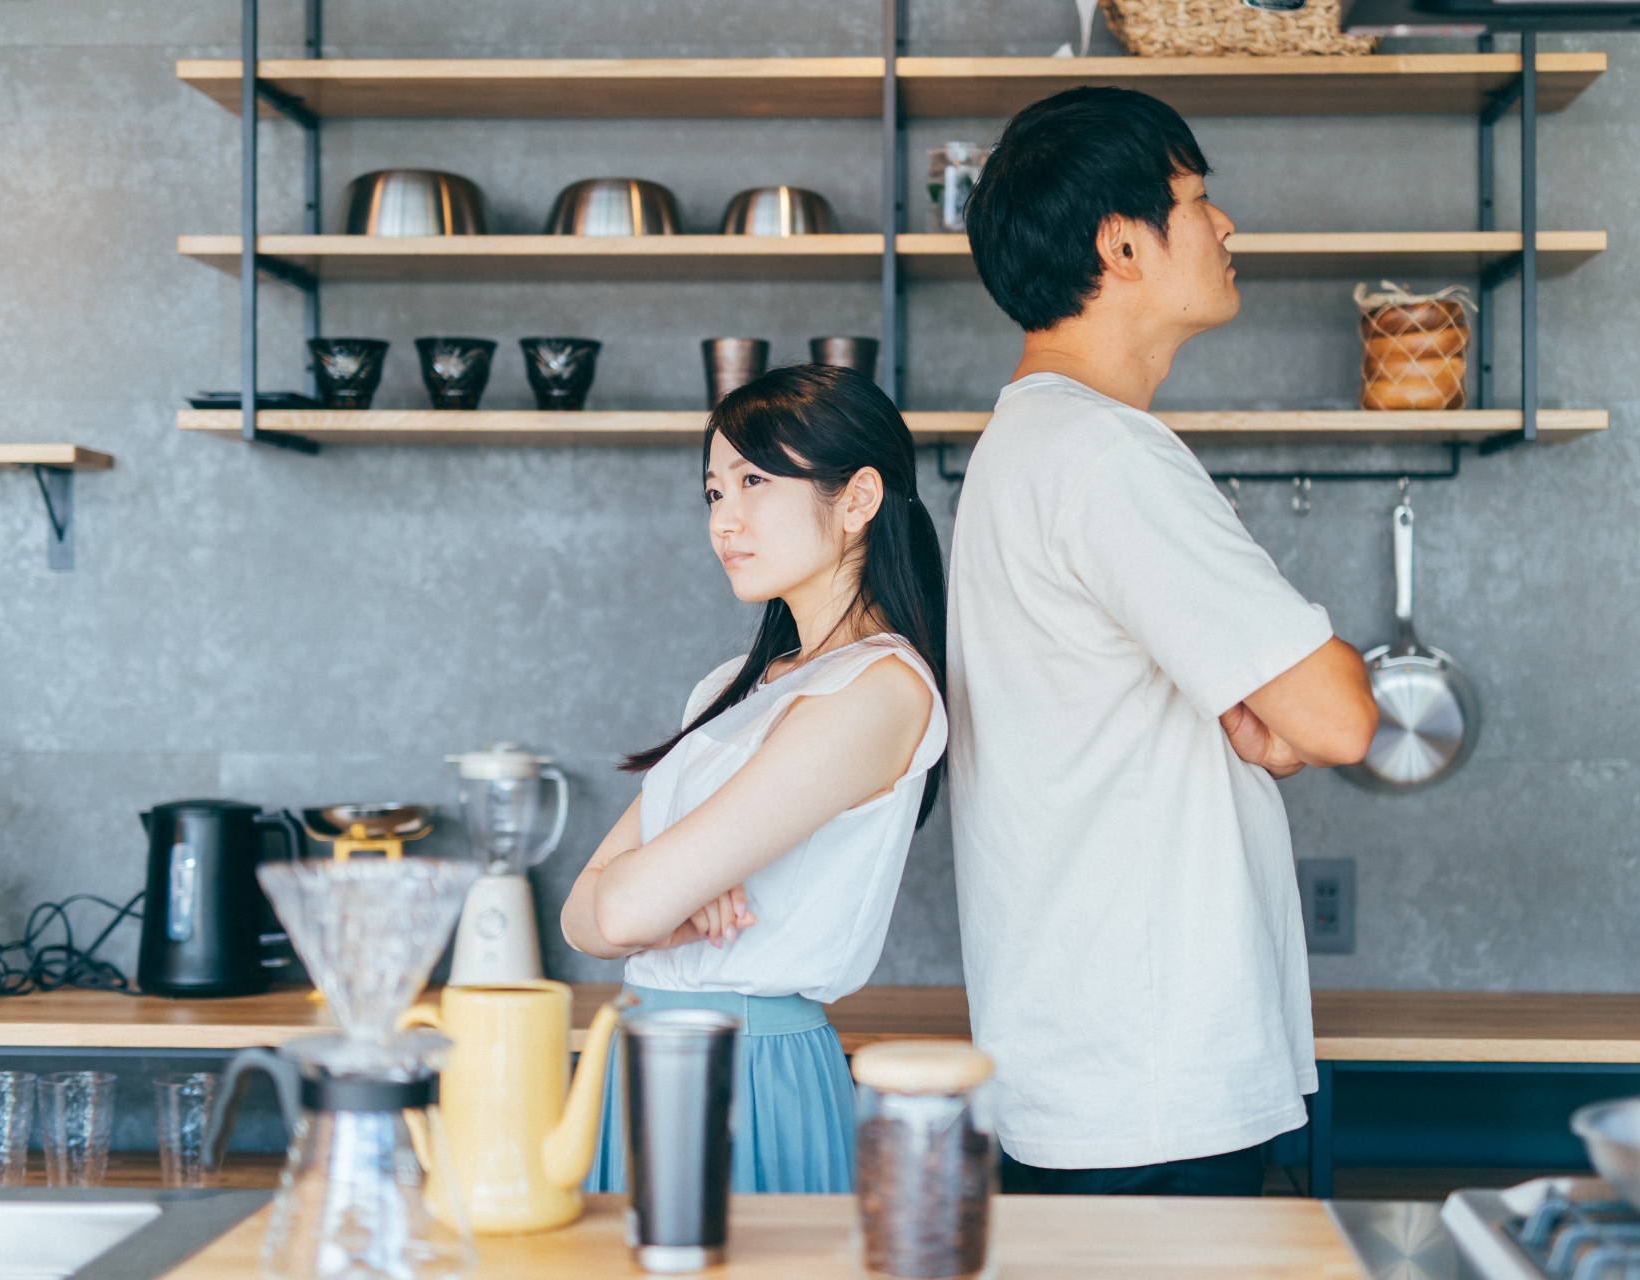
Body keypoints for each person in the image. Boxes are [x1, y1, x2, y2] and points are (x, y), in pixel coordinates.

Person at [947, 86, 1381, 1197]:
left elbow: (1262, 714)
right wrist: (1280, 710)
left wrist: (1262, 711)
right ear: (1122, 242)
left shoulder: (1034, 442)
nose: (1227, 227)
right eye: (1202, 201)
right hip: (1146, 1084)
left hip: (1100, 1068)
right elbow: (1338, 715)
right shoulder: (1106, 456)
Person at [558, 363, 948, 1195]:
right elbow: (580, 919)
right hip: (638, 1048)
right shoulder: (733, 685)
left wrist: (652, 901)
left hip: (748, 1064)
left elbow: (618, 906)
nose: (723, 519)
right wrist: (668, 901)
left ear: (857, 499)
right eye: (712, 492)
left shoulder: (878, 688)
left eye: (754, 481)